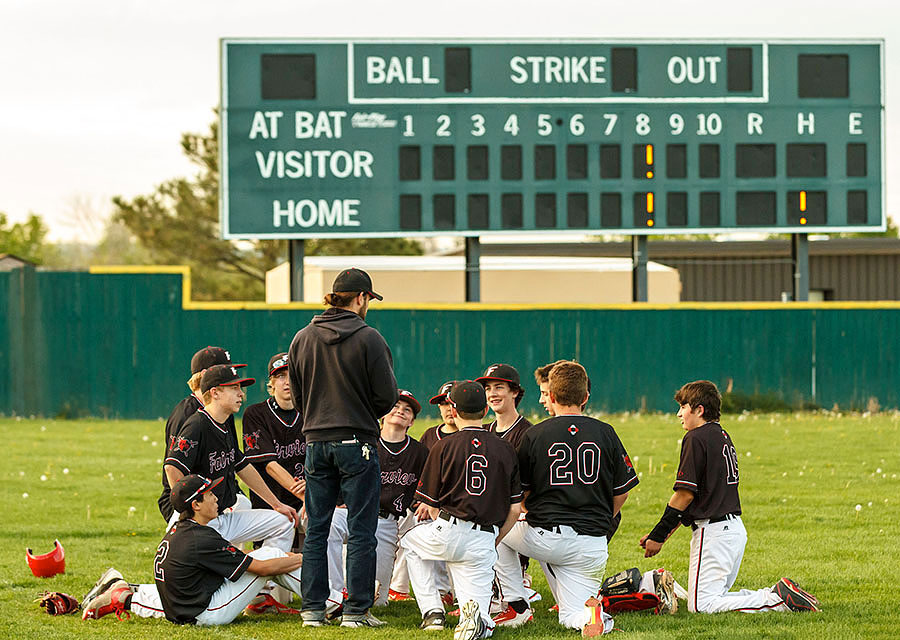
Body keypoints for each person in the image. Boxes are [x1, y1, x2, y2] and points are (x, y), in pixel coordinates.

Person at [639, 380, 819, 614]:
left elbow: (684, 495)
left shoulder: (696, 437)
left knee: (702, 606)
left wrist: (659, 535)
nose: (678, 414)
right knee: (715, 598)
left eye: (683, 407)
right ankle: (776, 595)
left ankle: (778, 600)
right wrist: (660, 535)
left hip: (714, 533)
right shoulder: (721, 435)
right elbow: (702, 497)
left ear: (699, 410)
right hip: (732, 530)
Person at [494, 361, 638, 636]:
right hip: (593, 545)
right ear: (585, 397)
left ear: (551, 396)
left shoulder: (535, 434)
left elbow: (519, 495)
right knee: (571, 614)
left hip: (547, 537)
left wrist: (527, 511)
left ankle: (517, 606)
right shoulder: (606, 432)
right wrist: (603, 518)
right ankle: (595, 616)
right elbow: (623, 490)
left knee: (494, 530)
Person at [288, 267, 399, 628]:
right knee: (361, 528)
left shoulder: (302, 338)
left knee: (317, 528)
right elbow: (386, 397)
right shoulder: (370, 338)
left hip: (315, 441)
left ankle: (312, 610)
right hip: (357, 442)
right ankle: (355, 611)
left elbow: (298, 395)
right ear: (362, 297)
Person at [82, 474, 305, 625]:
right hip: (208, 611)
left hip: (180, 605)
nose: (216, 498)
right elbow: (263, 569)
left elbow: (234, 560)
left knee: (267, 559)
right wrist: (304, 558)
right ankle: (329, 601)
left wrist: (289, 559)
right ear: (196, 505)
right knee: (271, 555)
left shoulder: (181, 530)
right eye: (209, 494)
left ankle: (125, 596)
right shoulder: (202, 537)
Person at [401, 381, 522, 639]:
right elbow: (514, 508)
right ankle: (477, 622)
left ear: (453, 411)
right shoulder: (506, 448)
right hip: (484, 539)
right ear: (485, 411)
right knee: (478, 616)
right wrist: (495, 538)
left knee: (410, 542)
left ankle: (433, 611)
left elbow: (430, 504)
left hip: (448, 531)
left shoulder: (443, 446)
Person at [164, 365, 298, 552]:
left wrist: (277, 504)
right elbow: (171, 467)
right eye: (234, 388)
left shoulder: (223, 422)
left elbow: (242, 465)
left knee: (284, 521)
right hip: (199, 522)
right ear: (215, 392)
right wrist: (192, 512)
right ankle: (260, 572)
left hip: (223, 517)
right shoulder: (197, 425)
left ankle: (271, 575)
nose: (241, 394)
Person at [328, 390, 428, 612]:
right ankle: (333, 594)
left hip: (385, 522)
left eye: (407, 410)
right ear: (383, 414)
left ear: (411, 421)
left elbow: (424, 489)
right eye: (396, 406)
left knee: (378, 599)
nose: (400, 411)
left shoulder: (420, 452)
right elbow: (338, 473)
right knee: (331, 522)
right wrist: (340, 499)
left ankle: (352, 590)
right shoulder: (362, 442)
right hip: (353, 514)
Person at [241, 352, 307, 613]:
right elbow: (268, 464)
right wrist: (304, 495)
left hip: (307, 499)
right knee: (279, 593)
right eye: (280, 376)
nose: (287, 382)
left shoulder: (313, 411)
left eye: (292, 375)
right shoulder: (256, 414)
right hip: (272, 503)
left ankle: (328, 590)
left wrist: (313, 493)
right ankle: (261, 598)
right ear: (271, 383)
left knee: (326, 524)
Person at [157, 346, 246, 521]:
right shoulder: (187, 415)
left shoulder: (223, 408)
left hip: (218, 495)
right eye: (226, 370)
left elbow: (233, 457)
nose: (233, 375)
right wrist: (192, 510)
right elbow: (174, 470)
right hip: (188, 502)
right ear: (206, 374)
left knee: (244, 504)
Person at [389, 380, 457, 604]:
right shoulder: (429, 435)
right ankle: (401, 588)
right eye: (443, 404)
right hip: (431, 504)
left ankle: (444, 590)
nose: (448, 409)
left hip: (458, 505)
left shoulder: (472, 435)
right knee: (414, 522)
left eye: (451, 403)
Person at [476, 363, 532, 451]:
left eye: (498, 387)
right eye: (488, 389)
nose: (492, 394)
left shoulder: (527, 433)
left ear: (515, 392)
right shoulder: (483, 431)